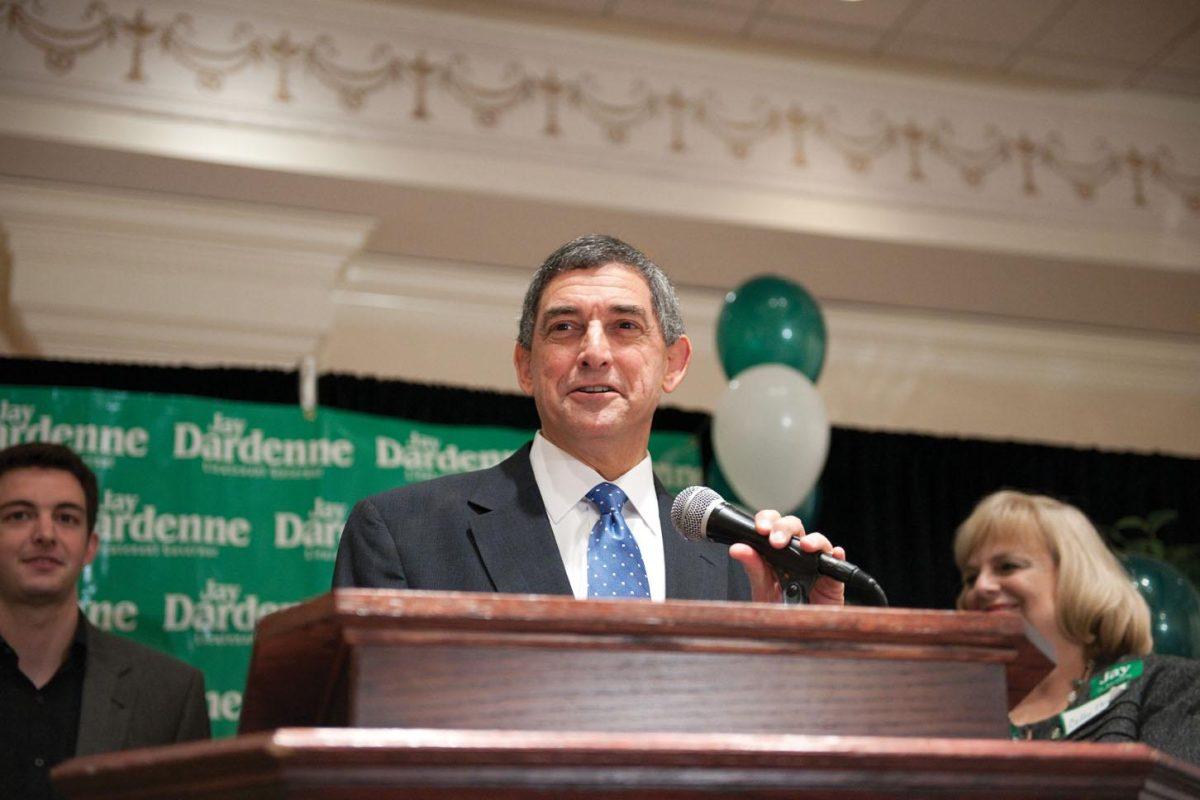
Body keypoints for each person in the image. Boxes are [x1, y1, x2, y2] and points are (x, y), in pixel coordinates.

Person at [335, 233, 846, 606]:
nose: (595, 352)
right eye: (565, 327)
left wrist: (806, 639)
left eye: (625, 326)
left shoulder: (743, 565)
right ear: (525, 366)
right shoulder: (406, 536)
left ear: (673, 363)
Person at [0, 443, 210, 800]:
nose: (45, 534)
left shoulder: (170, 695)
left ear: (90, 547)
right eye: (19, 515)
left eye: (67, 518)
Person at [955, 489, 1200, 765]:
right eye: (970, 577)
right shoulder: (956, 714)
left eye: (1007, 566)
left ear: (1075, 575)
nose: (981, 586)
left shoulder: (1166, 687)